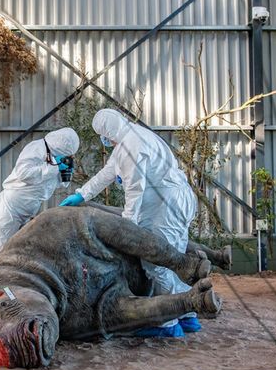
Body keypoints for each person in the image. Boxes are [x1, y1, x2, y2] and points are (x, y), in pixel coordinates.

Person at [59, 108, 200, 337]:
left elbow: (135, 190)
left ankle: (167, 323)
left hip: (165, 206)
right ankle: (188, 315)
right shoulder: (134, 135)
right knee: (175, 258)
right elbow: (107, 173)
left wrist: (125, 229)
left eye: (101, 135)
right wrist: (81, 194)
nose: (102, 139)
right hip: (177, 199)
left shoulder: (129, 147)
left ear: (106, 132)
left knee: (157, 262)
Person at [0, 127, 80, 266]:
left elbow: (49, 183)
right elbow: (24, 173)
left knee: (19, 252)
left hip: (29, 210)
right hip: (10, 208)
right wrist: (54, 167)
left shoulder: (53, 156)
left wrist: (65, 174)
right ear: (56, 147)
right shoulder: (36, 148)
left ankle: (13, 284)